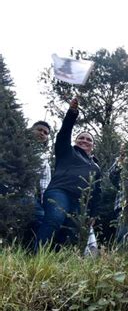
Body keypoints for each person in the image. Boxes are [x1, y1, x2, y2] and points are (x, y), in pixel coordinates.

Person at [35, 97, 101, 251]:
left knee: (72, 231)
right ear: (75, 141)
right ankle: (37, 256)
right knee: (55, 218)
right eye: (81, 138)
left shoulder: (96, 167)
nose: (84, 140)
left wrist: (94, 214)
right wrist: (72, 113)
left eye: (89, 139)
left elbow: (97, 191)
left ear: (93, 145)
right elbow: (64, 132)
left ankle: (59, 262)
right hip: (59, 192)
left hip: (80, 202)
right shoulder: (66, 151)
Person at [30, 121, 52, 235]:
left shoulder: (43, 159)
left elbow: (45, 186)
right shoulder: (15, 143)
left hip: (26, 196)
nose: (42, 133)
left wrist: (45, 207)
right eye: (39, 130)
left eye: (46, 133)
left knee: (41, 217)